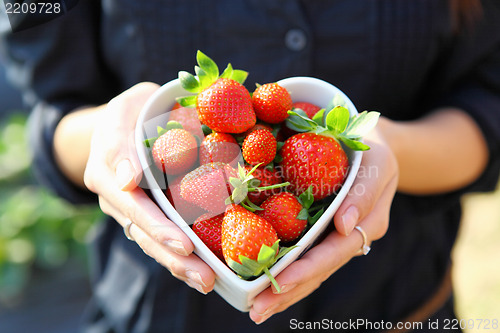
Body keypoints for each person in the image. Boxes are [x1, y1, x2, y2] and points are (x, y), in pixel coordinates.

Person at [1, 0, 499, 332]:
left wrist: (388, 148)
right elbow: (54, 115)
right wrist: (121, 136)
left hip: (398, 308)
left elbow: (487, 107)